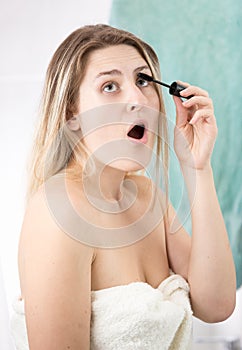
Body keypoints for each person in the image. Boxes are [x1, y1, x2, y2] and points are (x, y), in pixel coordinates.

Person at [10, 24, 236, 350]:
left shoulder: (148, 198)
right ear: (72, 114)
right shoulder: (57, 211)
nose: (137, 99)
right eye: (110, 86)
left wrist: (197, 167)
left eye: (143, 80)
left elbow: (216, 305)